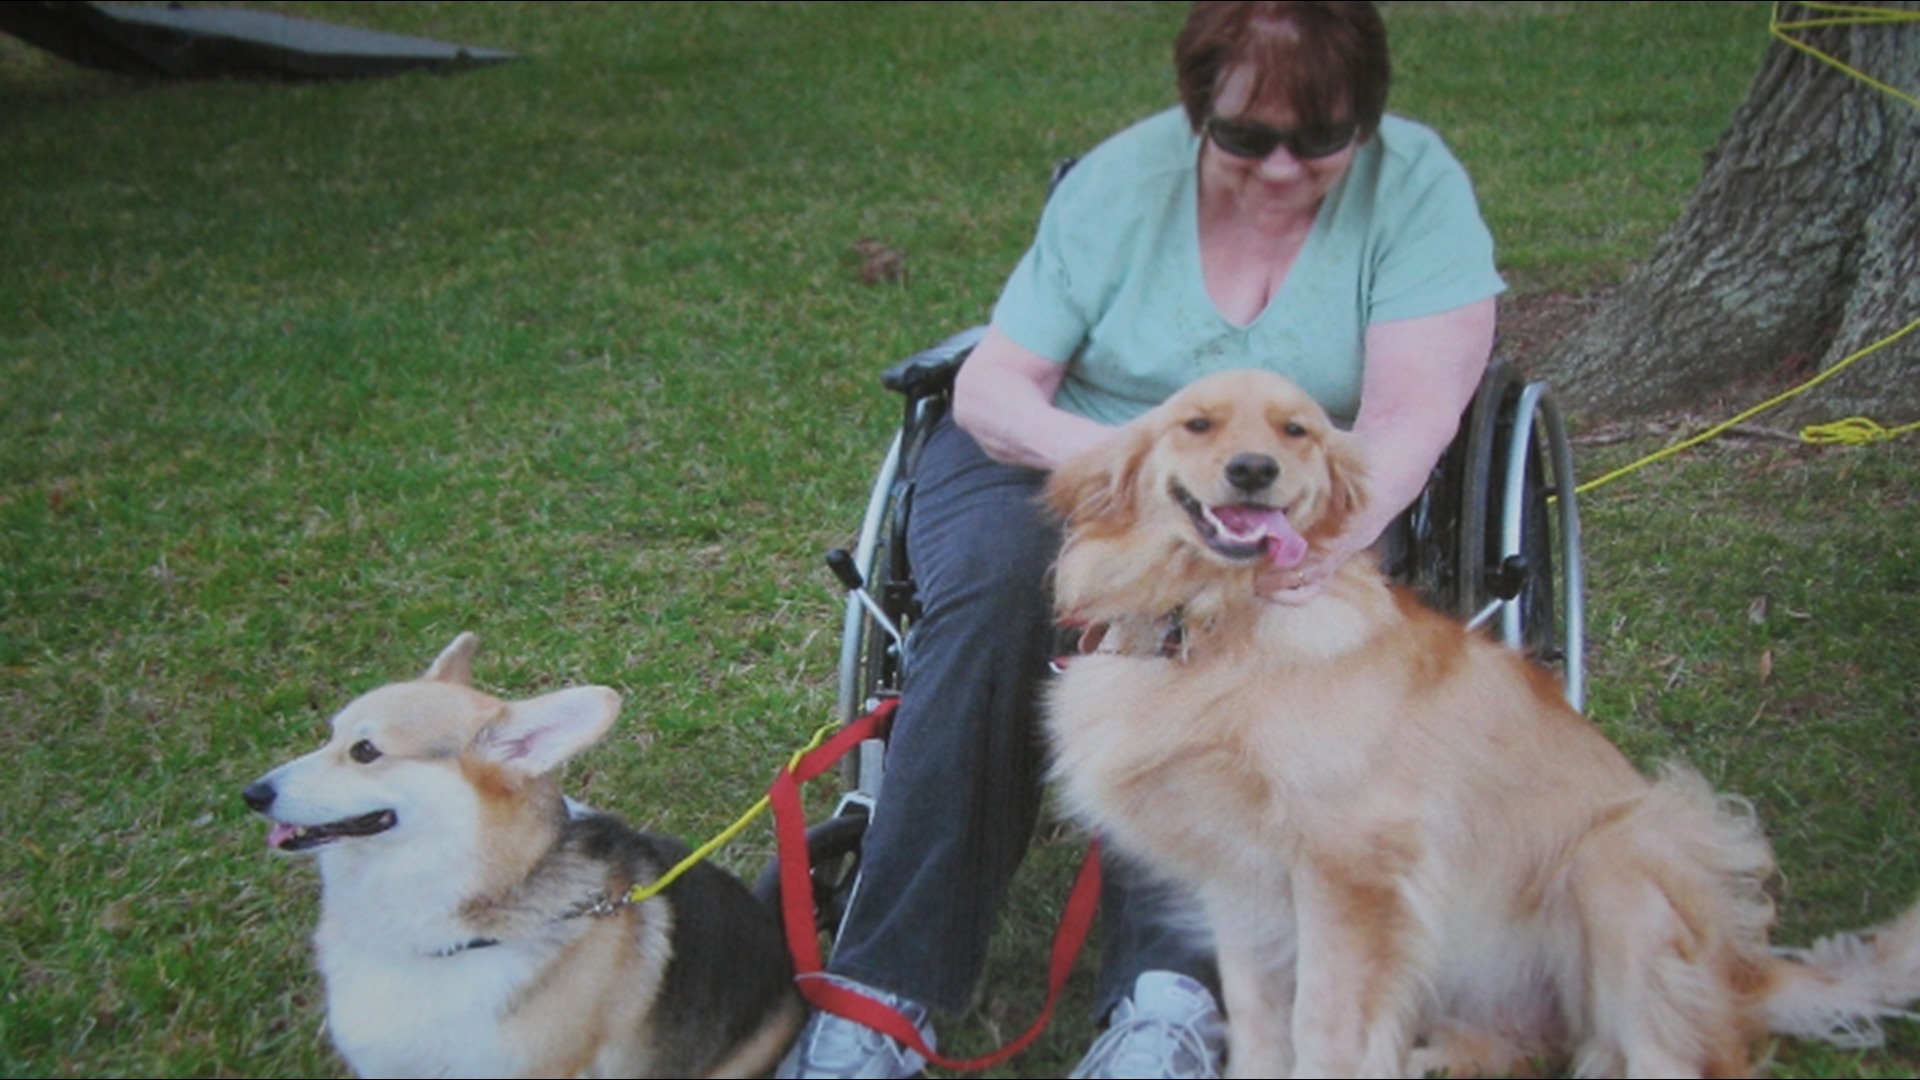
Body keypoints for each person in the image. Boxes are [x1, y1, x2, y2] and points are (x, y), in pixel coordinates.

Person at [777, 3, 1504, 1077]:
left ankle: (1171, 1003)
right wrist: (1143, 465)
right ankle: (884, 994)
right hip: (1075, 449)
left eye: (1322, 139)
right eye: (1248, 138)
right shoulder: (1124, 185)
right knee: (988, 595)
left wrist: (1320, 544)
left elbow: (1409, 418)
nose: (1283, 170)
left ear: (1368, 118)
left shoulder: (1418, 191)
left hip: (1290, 479)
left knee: (1244, 640)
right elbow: (993, 386)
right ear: (1198, 109)